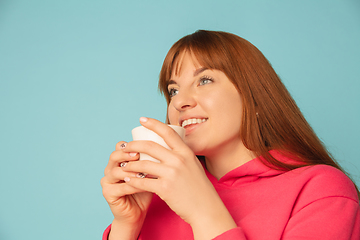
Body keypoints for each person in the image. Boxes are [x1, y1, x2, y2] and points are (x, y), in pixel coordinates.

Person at [100, 30, 360, 240]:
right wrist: (127, 226)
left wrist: (202, 210)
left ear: (254, 97)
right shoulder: (157, 197)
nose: (180, 102)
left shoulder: (321, 191)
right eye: (173, 90)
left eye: (204, 80)